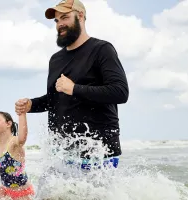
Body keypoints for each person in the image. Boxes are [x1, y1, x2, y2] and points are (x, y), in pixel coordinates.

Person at [15, 0, 129, 198]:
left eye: (65, 17)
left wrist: (74, 88)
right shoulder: (56, 59)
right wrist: (32, 104)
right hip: (62, 153)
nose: (60, 24)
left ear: (81, 16)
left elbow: (120, 92)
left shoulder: (102, 49)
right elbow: (55, 100)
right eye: (57, 20)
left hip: (97, 151)